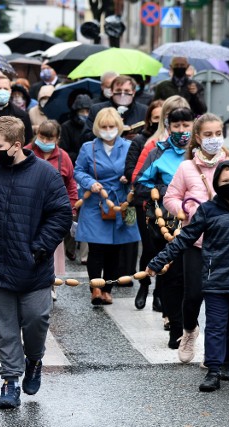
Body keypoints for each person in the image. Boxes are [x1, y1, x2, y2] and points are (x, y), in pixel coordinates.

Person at [146, 160, 229, 392]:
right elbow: (185, 238)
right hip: (215, 279)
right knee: (215, 326)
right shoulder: (207, 210)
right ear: (216, 184)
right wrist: (158, 261)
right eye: (226, 181)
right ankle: (213, 370)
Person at [0, 116, 71, 409]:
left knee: (36, 320)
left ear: (17, 145)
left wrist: (39, 248)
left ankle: (34, 360)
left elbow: (61, 216)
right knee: (4, 329)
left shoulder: (46, 174)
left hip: (33, 266)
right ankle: (10, 382)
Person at [162, 113, 229, 363]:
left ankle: (215, 352)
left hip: (226, 245)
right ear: (198, 137)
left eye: (217, 133)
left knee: (222, 301)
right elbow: (170, 198)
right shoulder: (186, 168)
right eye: (208, 134)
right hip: (197, 243)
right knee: (192, 295)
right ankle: (190, 331)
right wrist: (184, 211)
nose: (214, 139)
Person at [134, 107, 195, 348]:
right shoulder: (158, 152)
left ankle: (191, 324)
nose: (181, 130)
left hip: (196, 226)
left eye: (186, 125)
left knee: (193, 280)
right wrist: (161, 189)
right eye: (176, 126)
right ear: (168, 127)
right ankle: (176, 329)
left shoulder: (201, 153)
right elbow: (139, 186)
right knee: (171, 278)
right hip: (165, 224)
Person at [74, 107, 140, 305]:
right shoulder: (88, 147)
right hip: (96, 201)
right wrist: (89, 182)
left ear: (118, 127)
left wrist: (128, 177)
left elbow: (137, 171)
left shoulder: (129, 146)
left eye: (112, 126)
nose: (108, 129)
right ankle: (95, 287)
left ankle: (108, 289)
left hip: (121, 201)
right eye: (104, 126)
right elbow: (78, 170)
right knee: (96, 248)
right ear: (97, 127)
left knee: (115, 249)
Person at [24, 120, 78, 300]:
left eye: (50, 138)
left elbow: (70, 184)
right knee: (28, 246)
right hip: (29, 209)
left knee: (51, 249)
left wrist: (70, 209)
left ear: (57, 139)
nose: (45, 141)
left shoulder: (63, 157)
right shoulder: (26, 152)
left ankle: (50, 284)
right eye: (42, 136)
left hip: (53, 212)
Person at [124, 100, 163, 310]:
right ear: (149, 119)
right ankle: (144, 285)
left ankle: (159, 293)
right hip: (144, 202)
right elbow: (130, 170)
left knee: (163, 249)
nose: (159, 123)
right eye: (156, 118)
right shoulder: (140, 141)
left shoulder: (172, 143)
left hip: (166, 204)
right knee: (149, 247)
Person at [82, 75, 148, 143]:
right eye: (118, 90)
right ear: (111, 91)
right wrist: (106, 134)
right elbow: (86, 136)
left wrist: (138, 138)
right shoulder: (97, 109)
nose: (122, 94)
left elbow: (150, 135)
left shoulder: (144, 110)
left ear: (133, 92)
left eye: (127, 90)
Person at [0, 75, 34, 144]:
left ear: (10, 91)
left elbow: (27, 143)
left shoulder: (22, 115)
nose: (2, 91)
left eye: (5, 89)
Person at [60, 94, 93, 166]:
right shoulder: (66, 127)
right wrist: (80, 156)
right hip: (73, 165)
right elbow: (63, 151)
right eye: (82, 111)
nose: (85, 114)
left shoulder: (94, 126)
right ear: (76, 112)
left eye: (87, 111)